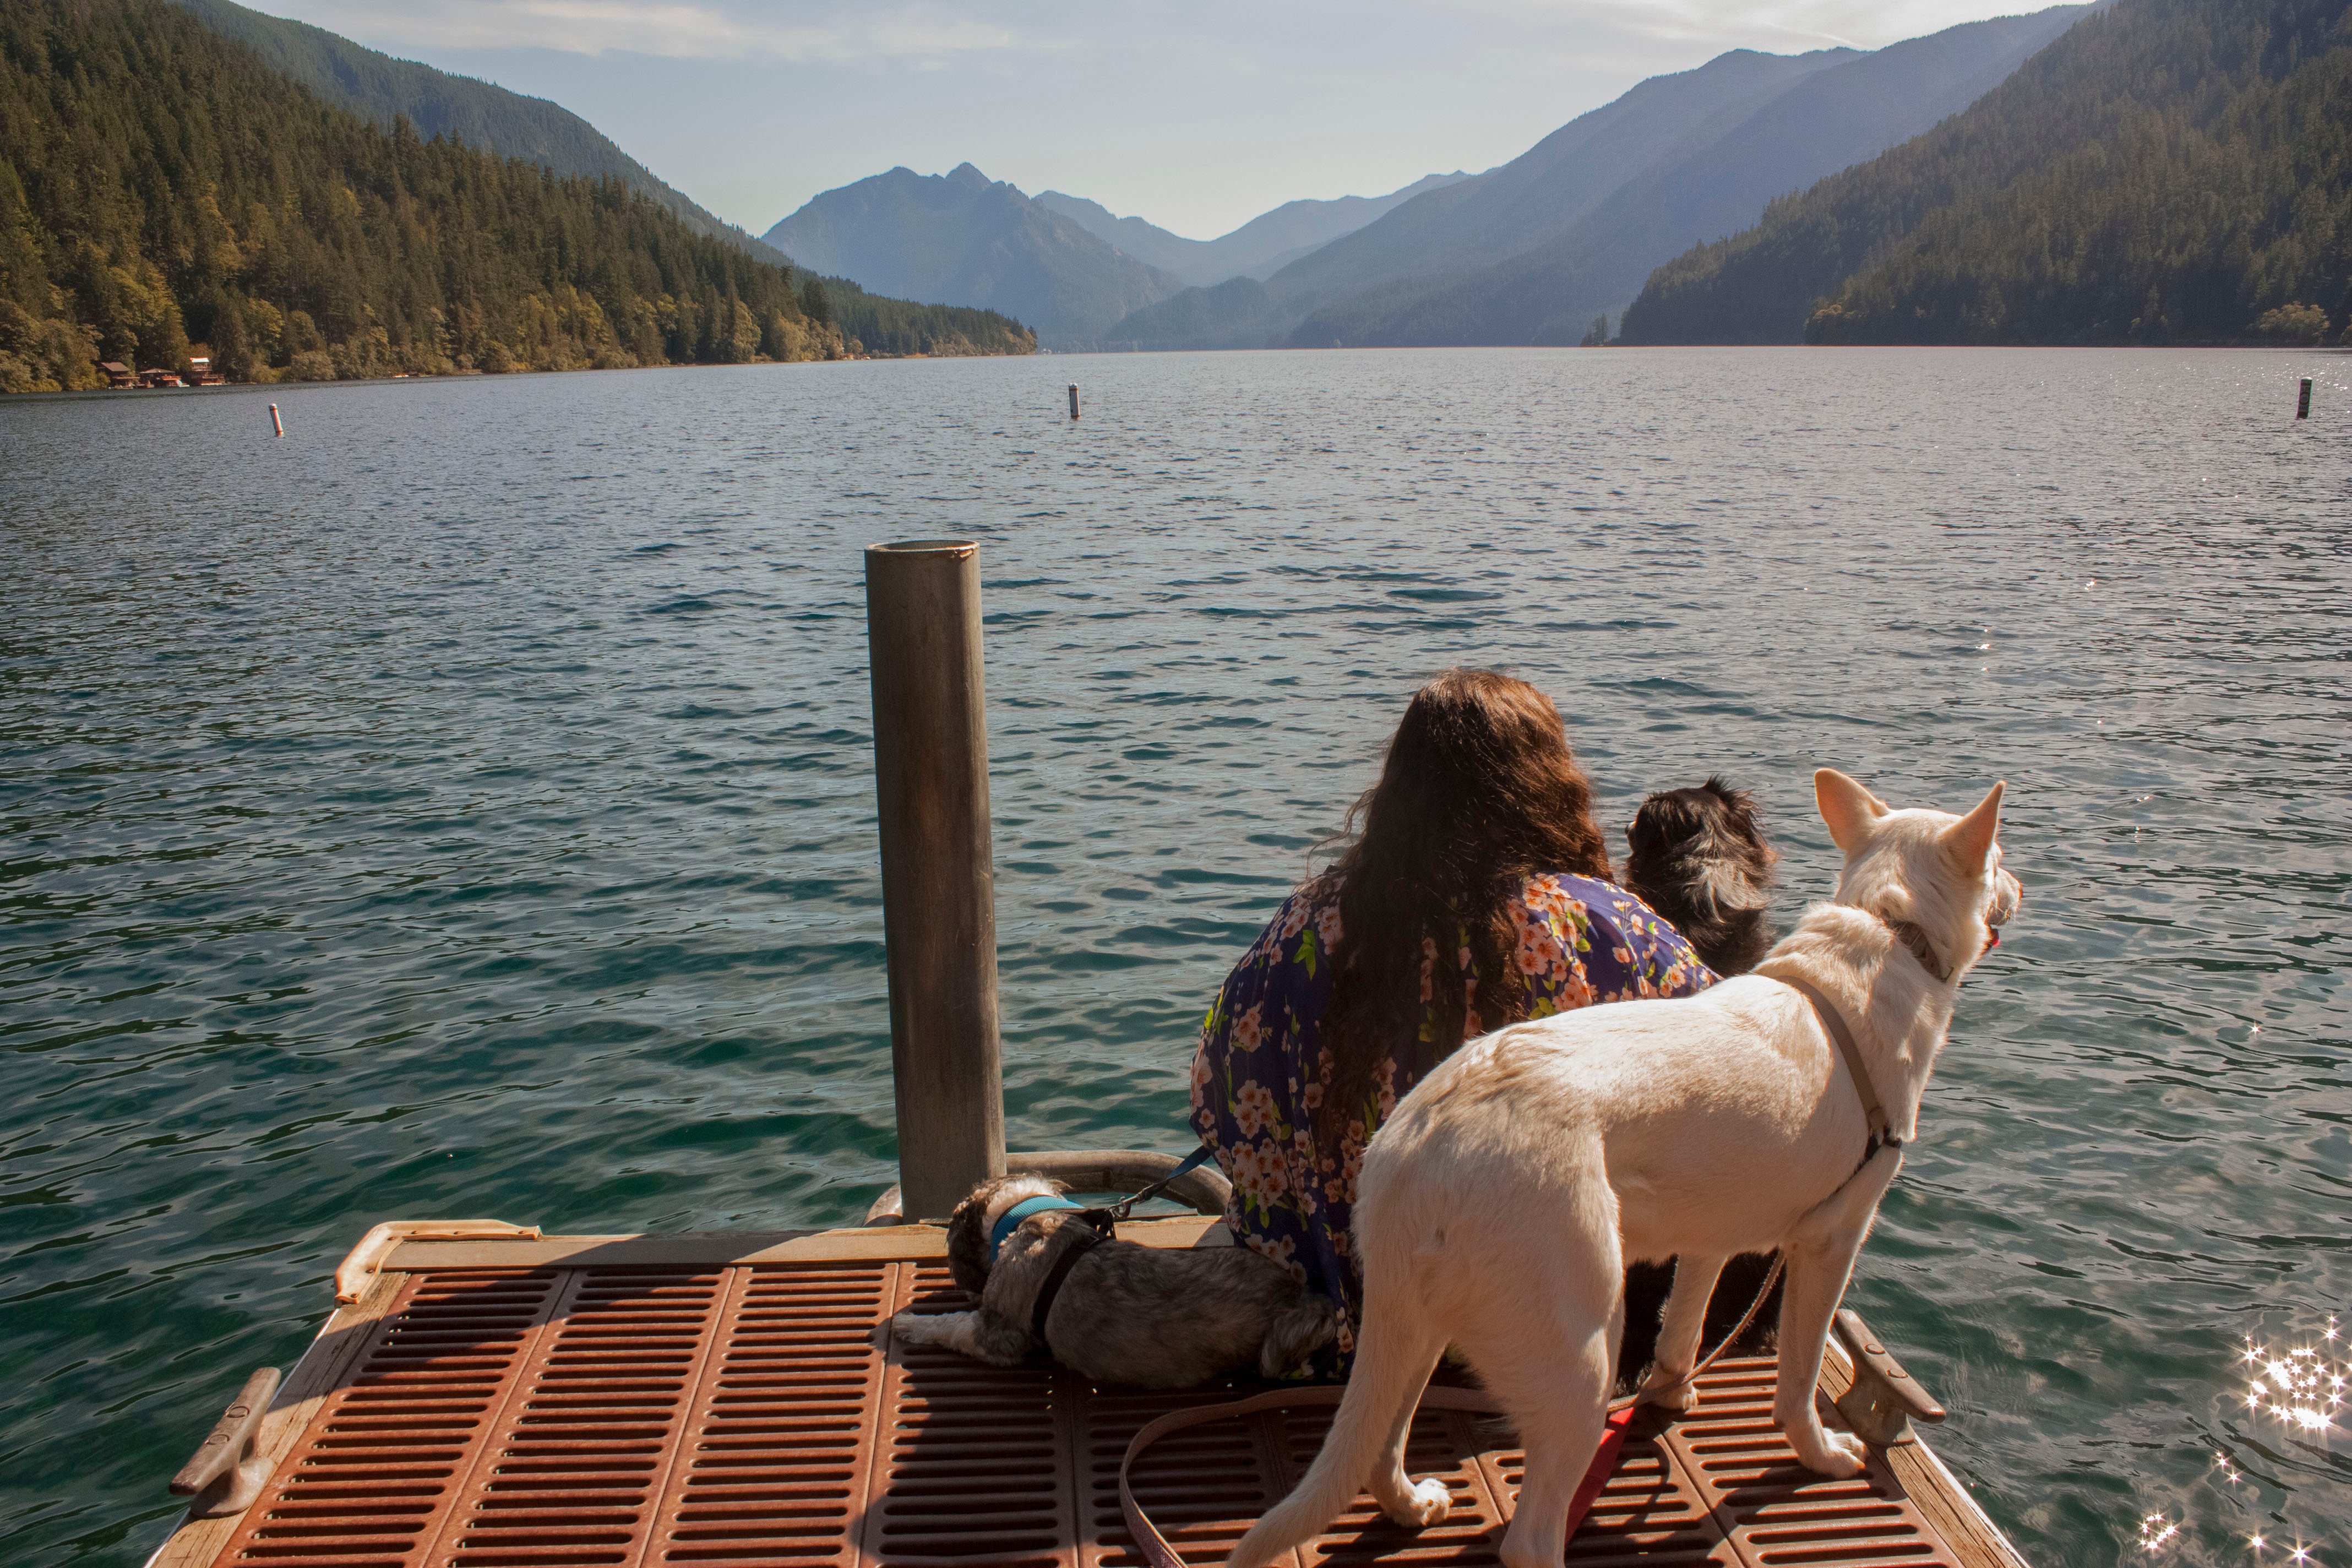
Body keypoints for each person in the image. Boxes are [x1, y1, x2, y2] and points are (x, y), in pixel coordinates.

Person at [1188, 668, 1716, 1374]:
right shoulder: (1603, 930)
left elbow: (1216, 1097)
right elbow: (1727, 1078)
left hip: (1323, 1321)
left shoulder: (1305, 927)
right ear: (1547, 784)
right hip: (1521, 1345)